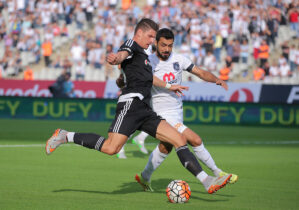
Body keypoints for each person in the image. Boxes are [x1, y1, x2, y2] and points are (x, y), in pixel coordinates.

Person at [45, 18, 232, 194]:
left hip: (146, 110)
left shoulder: (144, 56)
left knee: (179, 140)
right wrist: (117, 59)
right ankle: (65, 136)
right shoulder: (132, 45)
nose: (152, 41)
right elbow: (123, 54)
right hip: (131, 105)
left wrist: (169, 85)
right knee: (111, 148)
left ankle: (207, 181)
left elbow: (145, 77)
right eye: (150, 36)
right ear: (140, 33)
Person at [116, 28, 237, 191]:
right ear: (156, 43)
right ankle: (217, 173)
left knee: (166, 147)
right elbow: (136, 78)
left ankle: (144, 177)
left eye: (170, 46)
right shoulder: (148, 61)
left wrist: (216, 79)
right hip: (159, 112)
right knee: (195, 139)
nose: (167, 49)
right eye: (164, 45)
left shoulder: (179, 59)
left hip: (176, 112)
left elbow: (199, 72)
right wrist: (123, 81)